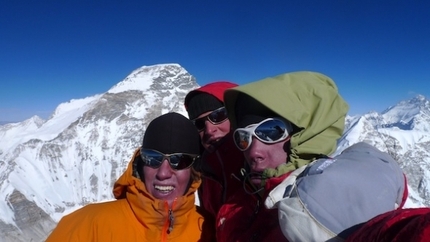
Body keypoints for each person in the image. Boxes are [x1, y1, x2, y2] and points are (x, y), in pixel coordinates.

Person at [215, 71, 407, 241]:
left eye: (271, 131)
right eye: (243, 137)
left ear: (306, 135)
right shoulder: (234, 206)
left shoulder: (329, 217)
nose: (254, 152)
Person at [46, 112, 215, 242]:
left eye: (180, 161)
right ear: (140, 164)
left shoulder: (211, 230)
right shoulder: (87, 224)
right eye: (152, 158)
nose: (163, 173)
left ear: (194, 170)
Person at [184, 81, 245, 221]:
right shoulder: (201, 170)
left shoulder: (263, 164)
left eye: (218, 116)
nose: (209, 130)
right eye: (199, 124)